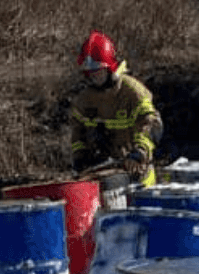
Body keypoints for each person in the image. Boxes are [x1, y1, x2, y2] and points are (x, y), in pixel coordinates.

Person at [69, 30, 163, 186]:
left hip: (136, 175)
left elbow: (151, 125)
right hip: (100, 173)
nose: (94, 78)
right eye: (90, 74)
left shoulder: (133, 92)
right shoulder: (84, 100)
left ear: (110, 68)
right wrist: (80, 157)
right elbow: (78, 131)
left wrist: (139, 153)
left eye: (98, 72)